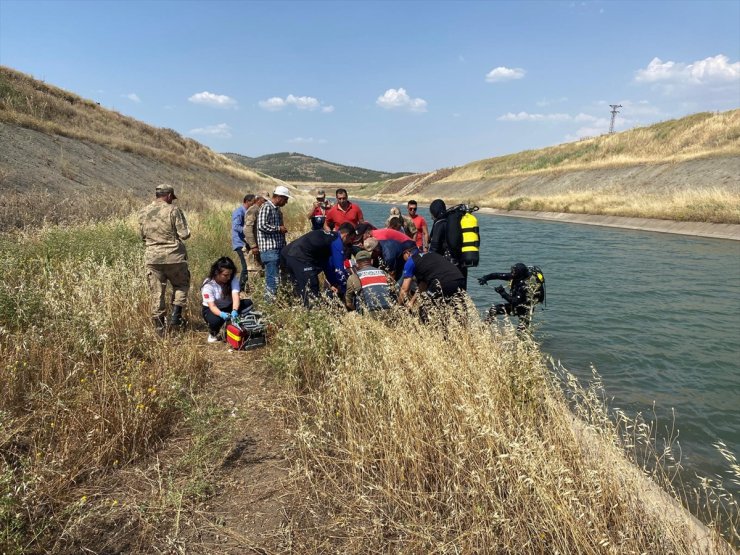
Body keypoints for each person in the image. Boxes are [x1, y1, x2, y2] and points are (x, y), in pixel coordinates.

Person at [138, 183, 191, 333]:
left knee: (157, 292)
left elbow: (142, 236)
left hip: (153, 258)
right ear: (168, 196)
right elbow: (185, 234)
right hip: (174, 257)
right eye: (171, 198)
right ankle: (176, 316)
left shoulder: (143, 211)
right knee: (181, 285)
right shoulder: (173, 210)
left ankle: (160, 328)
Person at [281, 223, 356, 306]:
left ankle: (296, 308)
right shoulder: (336, 241)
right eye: (351, 239)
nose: (350, 243)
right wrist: (344, 289)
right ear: (346, 235)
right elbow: (339, 270)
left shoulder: (327, 238)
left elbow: (327, 266)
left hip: (286, 254)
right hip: (300, 257)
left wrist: (334, 283)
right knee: (311, 291)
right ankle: (313, 313)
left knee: (297, 289)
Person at [201, 257, 254, 343]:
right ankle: (213, 334)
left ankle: (236, 324)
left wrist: (234, 310)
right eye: (225, 275)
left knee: (249, 303)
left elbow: (235, 296)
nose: (228, 277)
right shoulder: (208, 285)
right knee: (215, 321)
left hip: (229, 306)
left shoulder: (232, 279)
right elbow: (212, 306)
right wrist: (222, 314)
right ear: (217, 273)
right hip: (213, 309)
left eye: (230, 274)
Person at [398, 241, 466, 306]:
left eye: (402, 255)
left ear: (407, 253)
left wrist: (398, 307)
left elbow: (404, 289)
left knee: (425, 308)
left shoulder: (410, 261)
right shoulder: (430, 254)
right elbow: (423, 285)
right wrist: (412, 302)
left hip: (443, 283)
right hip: (460, 280)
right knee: (454, 309)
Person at [478, 263, 540, 328]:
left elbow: (515, 301)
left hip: (525, 309)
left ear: (519, 273)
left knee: (522, 331)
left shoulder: (525, 286)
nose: (512, 273)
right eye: (512, 271)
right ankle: (483, 329)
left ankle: (522, 337)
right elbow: (497, 275)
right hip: (515, 305)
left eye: (515, 272)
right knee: (494, 310)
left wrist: (502, 293)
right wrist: (485, 278)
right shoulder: (515, 277)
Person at [257, 186, 291, 301]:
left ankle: (274, 301)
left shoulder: (276, 209)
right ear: (279, 197)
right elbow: (261, 225)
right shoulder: (266, 207)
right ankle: (269, 304)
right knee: (272, 280)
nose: (286, 202)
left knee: (276, 279)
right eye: (285, 199)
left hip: (277, 249)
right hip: (270, 250)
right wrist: (278, 229)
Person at [428, 198, 468, 290]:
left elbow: (434, 248)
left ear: (434, 211)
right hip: (462, 263)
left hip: (447, 265)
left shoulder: (440, 223)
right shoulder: (454, 221)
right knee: (461, 293)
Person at [345, 250, 396, 314]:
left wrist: (358, 311)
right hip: (389, 310)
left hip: (369, 312)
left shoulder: (354, 277)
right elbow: (394, 290)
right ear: (371, 261)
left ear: (357, 264)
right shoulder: (383, 273)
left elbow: (348, 303)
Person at [231, 194, 256, 292]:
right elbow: (236, 226)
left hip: (245, 243)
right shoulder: (239, 212)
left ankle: (246, 287)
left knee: (249, 266)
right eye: (252, 202)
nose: (254, 205)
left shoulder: (247, 212)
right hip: (240, 243)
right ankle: (241, 288)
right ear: (247, 201)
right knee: (246, 266)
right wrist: (248, 232)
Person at [244, 195, 266, 272]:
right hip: (253, 248)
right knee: (254, 271)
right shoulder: (253, 210)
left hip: (260, 246)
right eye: (264, 200)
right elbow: (248, 229)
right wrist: (253, 246)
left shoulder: (261, 210)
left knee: (260, 271)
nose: (266, 203)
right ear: (258, 200)